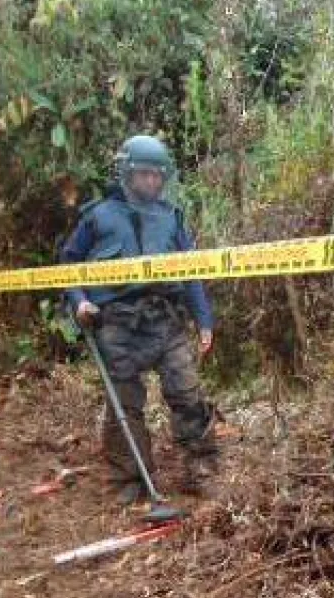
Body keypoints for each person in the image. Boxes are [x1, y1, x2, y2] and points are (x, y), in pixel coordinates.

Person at [59, 134, 219, 505]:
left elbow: (191, 269)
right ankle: (130, 480)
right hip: (115, 324)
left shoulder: (171, 217)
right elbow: (69, 265)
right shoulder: (97, 216)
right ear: (127, 174)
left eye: (158, 175)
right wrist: (81, 302)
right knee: (124, 406)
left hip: (165, 319)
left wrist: (204, 320)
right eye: (145, 174)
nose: (153, 181)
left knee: (187, 391)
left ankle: (202, 467)